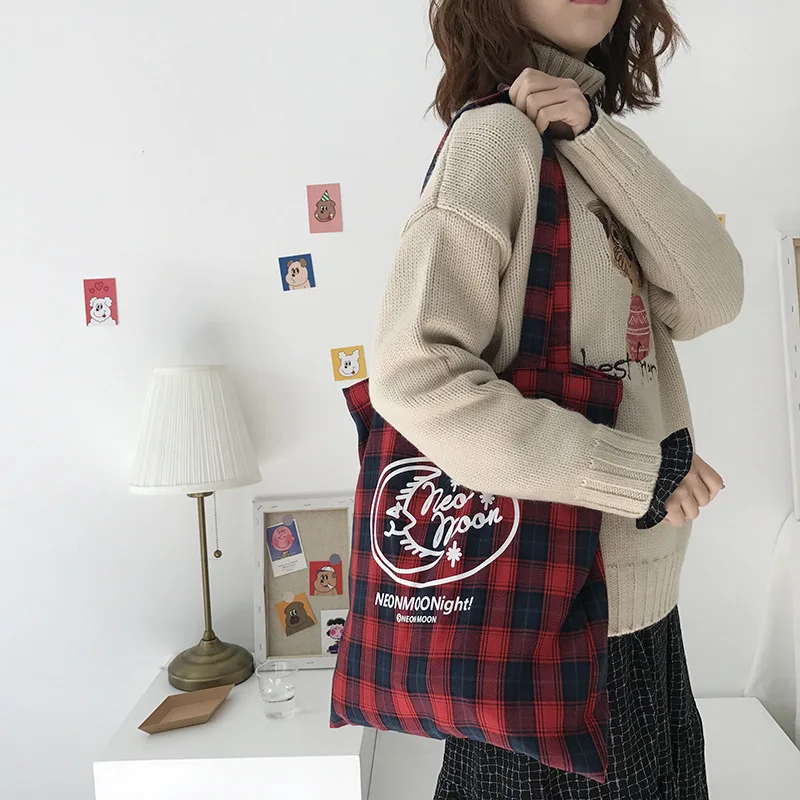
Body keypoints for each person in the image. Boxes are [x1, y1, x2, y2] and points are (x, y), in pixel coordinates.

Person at [368, 1, 745, 798]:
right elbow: (414, 373)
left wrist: (596, 133)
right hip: (545, 627)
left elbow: (714, 295)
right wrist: (634, 473)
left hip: (641, 618)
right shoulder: (493, 142)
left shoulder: (584, 143)